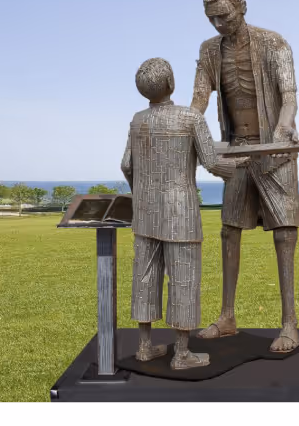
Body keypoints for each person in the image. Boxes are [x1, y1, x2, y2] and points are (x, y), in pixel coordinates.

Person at [191, 0, 299, 352]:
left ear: (242, 8)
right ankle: (227, 317)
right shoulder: (209, 51)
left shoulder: (274, 43)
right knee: (229, 231)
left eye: (224, 16)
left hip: (275, 152)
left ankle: (289, 323)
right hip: (237, 150)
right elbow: (199, 99)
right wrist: (187, 127)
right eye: (211, 18)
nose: (218, 24)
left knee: (284, 233)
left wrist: (283, 128)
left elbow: (289, 96)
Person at [121, 57, 245, 369]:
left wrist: (140, 193)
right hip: (181, 214)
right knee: (184, 279)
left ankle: (145, 346)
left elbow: (126, 165)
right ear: (171, 83)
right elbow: (212, 161)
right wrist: (238, 166)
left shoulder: (137, 120)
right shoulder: (190, 118)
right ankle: (181, 353)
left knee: (145, 278)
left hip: (145, 213)